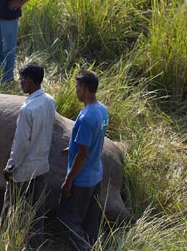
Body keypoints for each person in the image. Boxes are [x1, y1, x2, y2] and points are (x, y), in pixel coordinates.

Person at [2, 63, 56, 249]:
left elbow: (21, 144)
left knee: (10, 209)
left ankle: (7, 243)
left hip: (23, 170)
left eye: (23, 79)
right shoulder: (49, 100)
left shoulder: (27, 110)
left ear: (31, 81)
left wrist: (10, 167)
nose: (21, 82)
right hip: (42, 166)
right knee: (36, 211)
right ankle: (34, 245)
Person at [57, 70, 109, 250]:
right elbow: (93, 140)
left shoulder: (87, 117)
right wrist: (73, 147)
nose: (76, 90)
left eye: (77, 87)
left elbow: (83, 154)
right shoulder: (102, 110)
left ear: (85, 88)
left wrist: (68, 180)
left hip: (82, 179)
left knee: (66, 221)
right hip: (96, 175)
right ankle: (93, 245)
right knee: (90, 223)